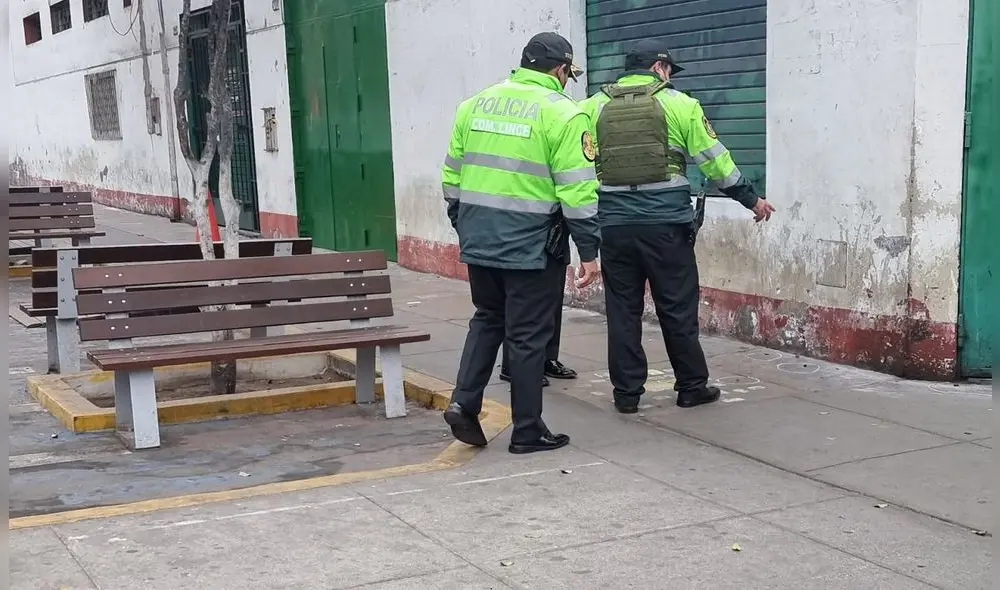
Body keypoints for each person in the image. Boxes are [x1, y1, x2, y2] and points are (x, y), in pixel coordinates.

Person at [579, 39, 776, 414]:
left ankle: (626, 395)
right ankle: (691, 386)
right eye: (669, 70)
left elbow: (578, 166)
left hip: (614, 225)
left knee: (622, 310)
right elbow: (716, 163)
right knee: (676, 307)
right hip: (666, 225)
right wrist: (752, 199)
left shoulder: (591, 107)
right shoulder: (681, 105)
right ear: (659, 67)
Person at [441, 32, 602, 453]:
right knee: (529, 335)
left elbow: (451, 179)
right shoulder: (564, 114)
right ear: (560, 69)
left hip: (480, 238)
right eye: (569, 73)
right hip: (533, 247)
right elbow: (578, 192)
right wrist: (589, 252)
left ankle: (463, 402)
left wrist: (465, 226)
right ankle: (527, 429)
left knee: (487, 318)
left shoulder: (473, 105)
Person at [499, 215, 577, 388]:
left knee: (552, 298)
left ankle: (548, 358)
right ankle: (512, 364)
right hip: (523, 232)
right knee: (523, 305)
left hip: (554, 226)